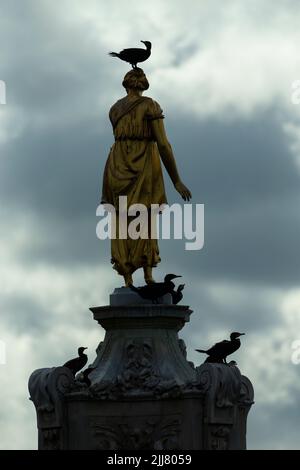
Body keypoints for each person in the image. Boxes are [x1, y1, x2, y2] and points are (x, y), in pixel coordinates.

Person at [101, 68, 191, 286]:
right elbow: (163, 144)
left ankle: (128, 278)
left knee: (121, 219)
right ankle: (148, 276)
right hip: (143, 163)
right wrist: (176, 180)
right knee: (145, 218)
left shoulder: (114, 109)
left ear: (126, 84)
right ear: (144, 83)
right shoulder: (150, 105)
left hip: (117, 163)